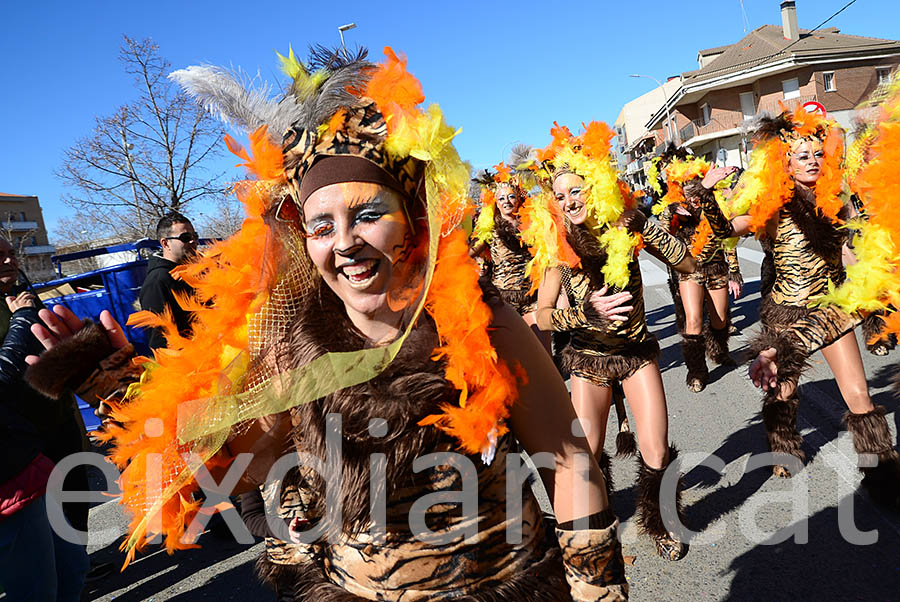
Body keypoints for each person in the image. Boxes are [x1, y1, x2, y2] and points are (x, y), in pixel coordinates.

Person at [27, 47, 629, 600]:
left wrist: (596, 589)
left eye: (367, 214)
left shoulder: (477, 319)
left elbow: (569, 460)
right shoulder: (291, 338)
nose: (345, 244)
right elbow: (229, 463)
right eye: (321, 226)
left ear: (411, 220)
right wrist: (109, 382)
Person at [697, 106, 900, 508]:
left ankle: (883, 478)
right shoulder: (773, 203)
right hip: (787, 312)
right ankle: (784, 446)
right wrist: (706, 194)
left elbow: (848, 253)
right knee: (785, 389)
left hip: (830, 310)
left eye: (816, 153)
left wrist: (877, 293)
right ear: (785, 163)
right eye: (801, 155)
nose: (810, 161)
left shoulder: (837, 200)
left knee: (859, 393)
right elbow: (727, 232)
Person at [524, 121, 697, 561]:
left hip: (637, 353)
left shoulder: (625, 223)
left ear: (595, 187)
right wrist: (583, 313)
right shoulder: (558, 246)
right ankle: (598, 530)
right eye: (560, 197)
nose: (569, 203)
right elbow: (542, 315)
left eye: (576, 191)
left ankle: (660, 523)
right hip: (589, 360)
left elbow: (687, 262)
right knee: (589, 453)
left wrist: (640, 222)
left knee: (656, 447)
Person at [0, 289, 89, 601]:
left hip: (27, 469)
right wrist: (22, 319)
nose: (9, 261)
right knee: (36, 591)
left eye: (11, 253)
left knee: (73, 569)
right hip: (8, 492)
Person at [652, 154, 743, 392]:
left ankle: (719, 352)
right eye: (688, 196)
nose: (693, 202)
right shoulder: (677, 211)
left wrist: (734, 271)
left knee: (720, 318)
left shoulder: (715, 207)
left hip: (716, 267)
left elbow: (728, 240)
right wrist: (671, 210)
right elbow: (663, 235)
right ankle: (696, 370)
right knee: (692, 319)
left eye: (696, 196)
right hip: (689, 271)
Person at [469, 150, 550, 352]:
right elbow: (472, 251)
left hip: (532, 295)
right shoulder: (489, 228)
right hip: (504, 298)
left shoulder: (532, 223)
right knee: (515, 355)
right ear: (495, 203)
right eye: (501, 198)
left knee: (543, 350)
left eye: (511, 196)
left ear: (519, 199)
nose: (506, 201)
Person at [139, 211, 199, 350]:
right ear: (165, 243)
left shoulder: (193, 271)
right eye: (185, 237)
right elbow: (161, 343)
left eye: (194, 236)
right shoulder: (157, 281)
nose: (193, 241)